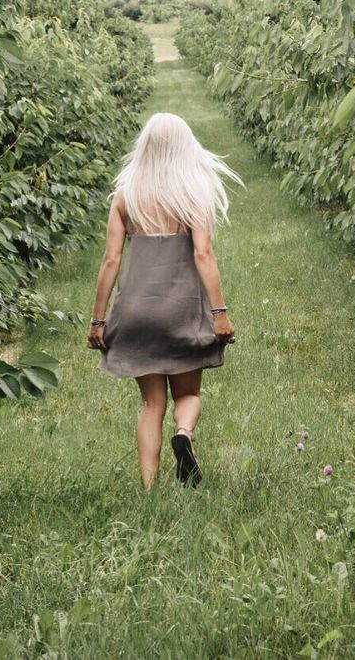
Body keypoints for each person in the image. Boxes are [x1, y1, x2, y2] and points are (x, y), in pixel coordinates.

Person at [87, 112, 243, 489]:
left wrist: (97, 321)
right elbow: (204, 255)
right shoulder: (192, 199)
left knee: (150, 405)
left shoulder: (126, 199)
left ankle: (149, 488)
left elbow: (110, 260)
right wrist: (219, 314)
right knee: (187, 393)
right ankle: (184, 434)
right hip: (182, 311)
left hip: (135, 313)